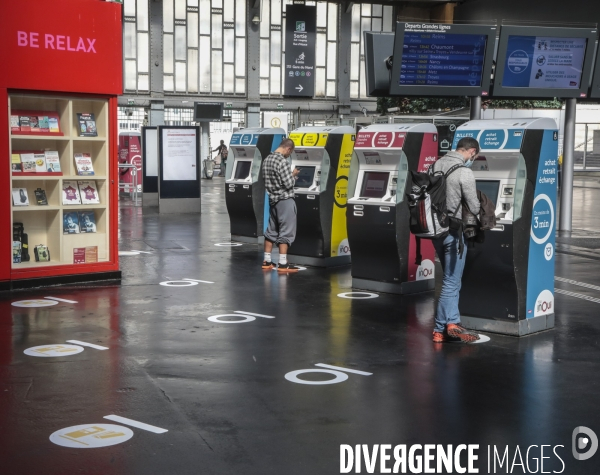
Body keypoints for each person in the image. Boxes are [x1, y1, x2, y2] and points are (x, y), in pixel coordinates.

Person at [430, 137, 482, 343]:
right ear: (471, 151)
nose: (473, 159)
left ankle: (452, 322)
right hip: (453, 231)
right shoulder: (464, 172)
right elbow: (475, 206)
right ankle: (439, 329)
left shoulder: (434, 166)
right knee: (451, 280)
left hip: (435, 230)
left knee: (451, 278)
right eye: (474, 156)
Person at [262, 138, 300, 273]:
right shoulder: (282, 161)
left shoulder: (267, 159)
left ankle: (267, 260)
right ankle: (283, 263)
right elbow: (288, 183)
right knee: (286, 231)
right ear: (288, 149)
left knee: (271, 230)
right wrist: (294, 174)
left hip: (273, 200)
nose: (289, 155)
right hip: (285, 200)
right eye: (290, 152)